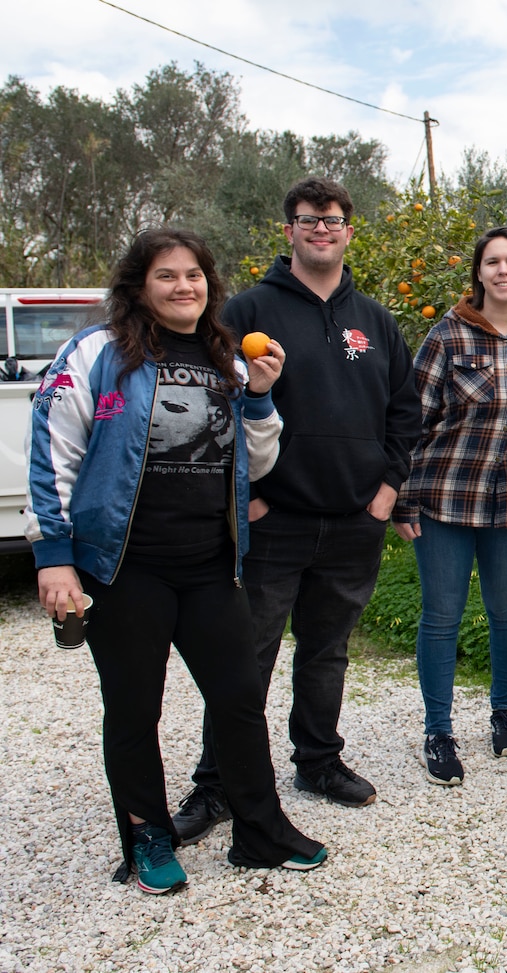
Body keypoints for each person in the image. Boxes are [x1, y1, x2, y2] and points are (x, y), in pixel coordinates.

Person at [27, 228, 325, 893]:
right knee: (135, 708)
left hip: (211, 564)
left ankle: (260, 830)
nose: (183, 286)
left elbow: (259, 459)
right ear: (139, 286)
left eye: (194, 275)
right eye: (167, 275)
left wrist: (260, 396)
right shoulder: (98, 353)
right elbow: (52, 451)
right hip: (124, 566)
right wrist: (53, 555)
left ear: (209, 285)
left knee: (239, 699)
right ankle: (147, 838)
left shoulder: (228, 358)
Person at [173, 178, 421, 839]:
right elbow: (207, 409)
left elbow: (405, 411)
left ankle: (318, 760)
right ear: (288, 231)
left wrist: (386, 494)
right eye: (308, 219)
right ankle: (217, 782)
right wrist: (243, 496)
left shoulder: (375, 320)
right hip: (271, 521)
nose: (321, 229)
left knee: (327, 651)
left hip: (353, 521)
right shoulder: (248, 310)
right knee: (245, 657)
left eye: (332, 220)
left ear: (347, 232)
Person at [391, 227, 507, 782]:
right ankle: (439, 731)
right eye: (492, 262)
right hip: (446, 496)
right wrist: (402, 502)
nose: (503, 271)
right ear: (479, 273)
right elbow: (411, 422)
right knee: (442, 615)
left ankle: (503, 711)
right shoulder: (447, 336)